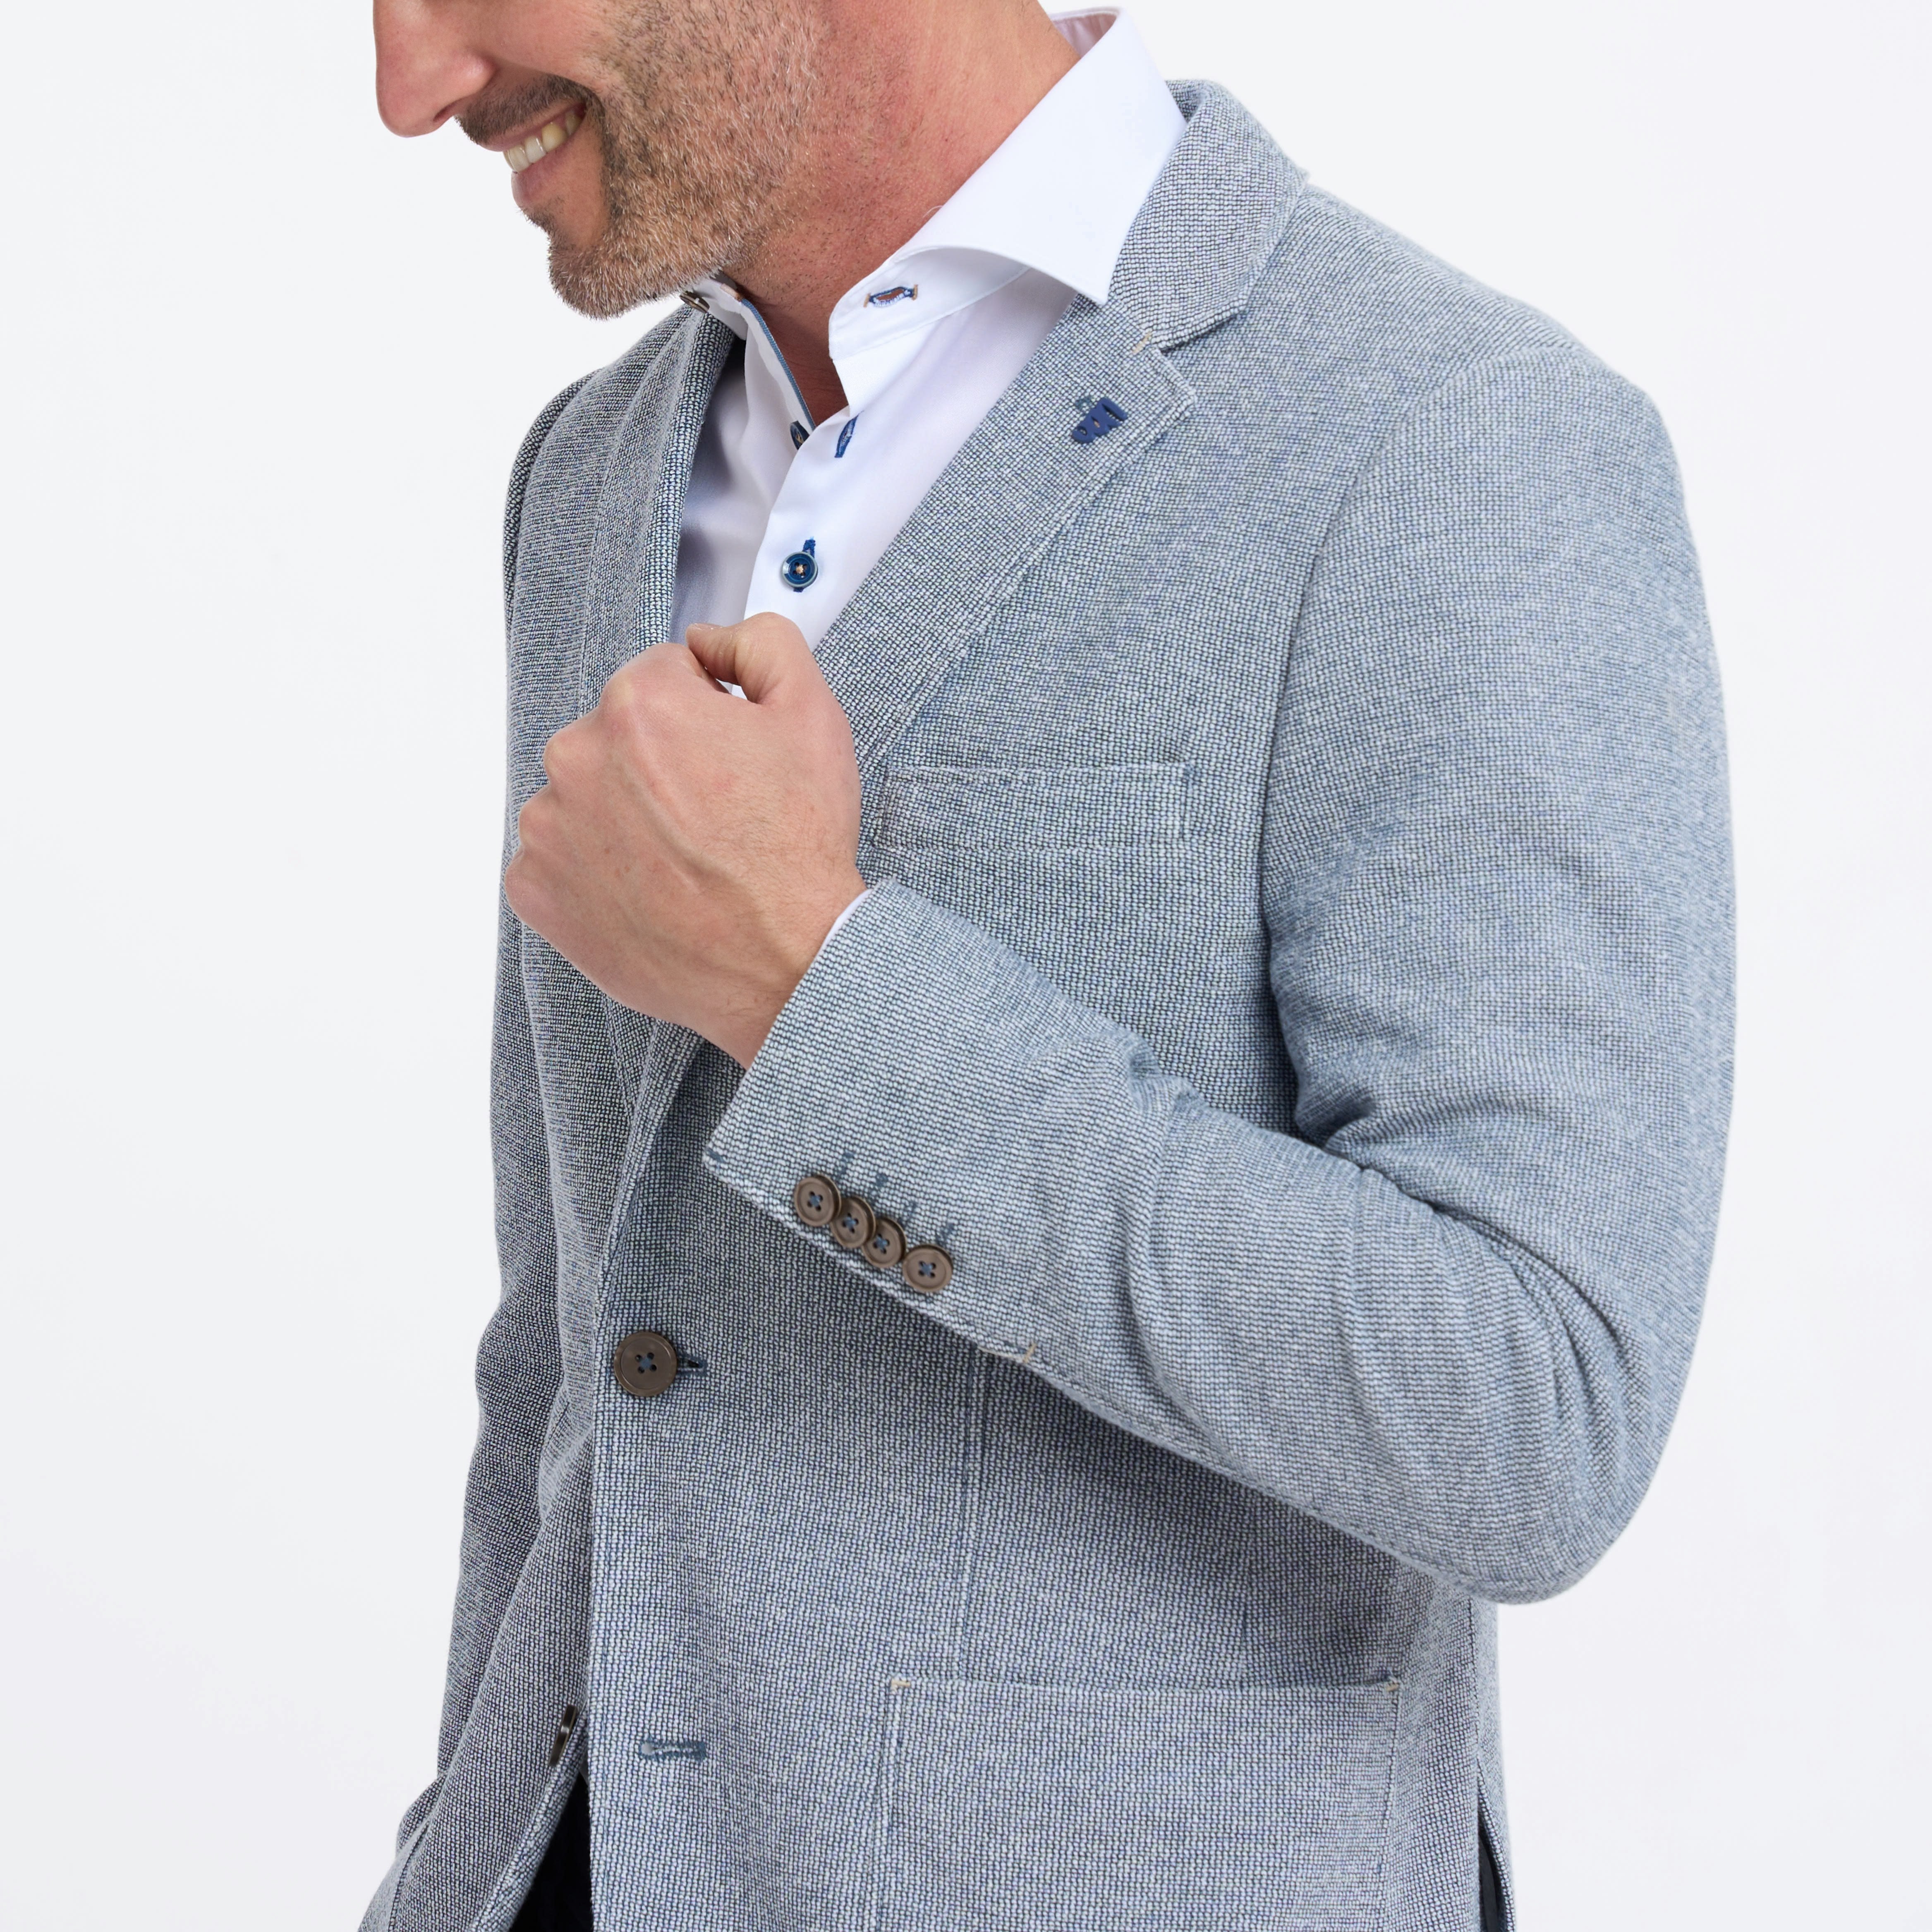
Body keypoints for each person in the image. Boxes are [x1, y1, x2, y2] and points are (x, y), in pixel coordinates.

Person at [363, 1, 1733, 1927]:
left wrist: (813, 987)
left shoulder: (1448, 435)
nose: (405, 85)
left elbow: (1531, 1410)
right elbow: (573, 1340)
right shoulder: (592, 471)